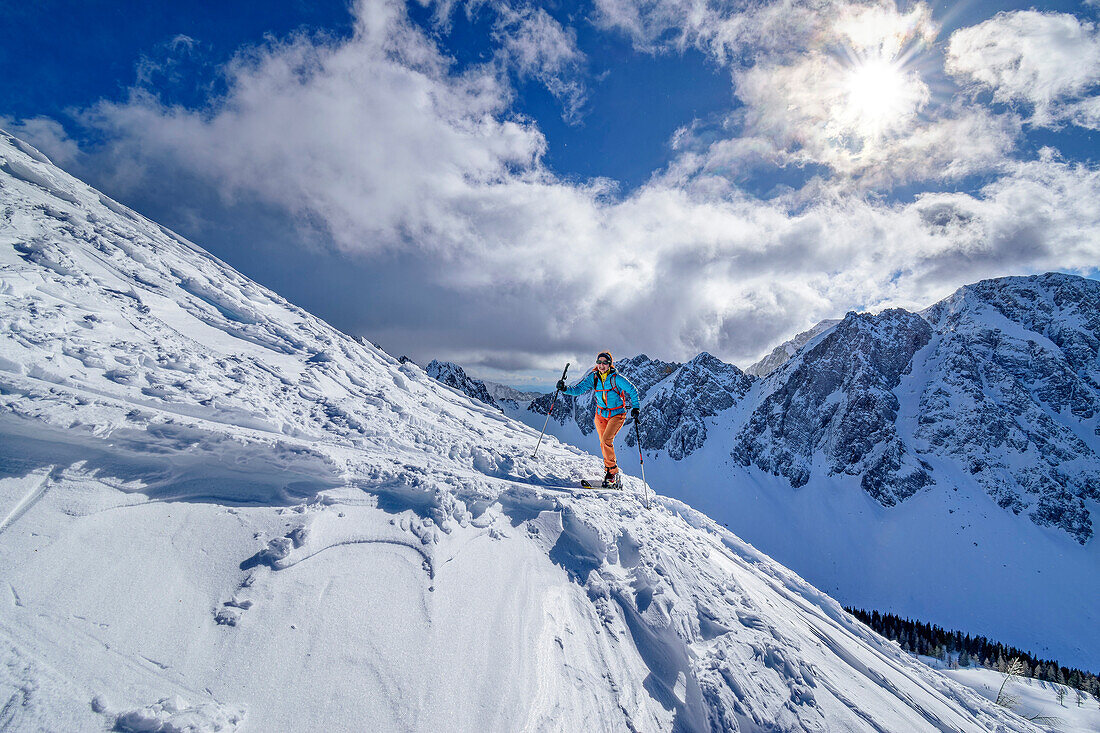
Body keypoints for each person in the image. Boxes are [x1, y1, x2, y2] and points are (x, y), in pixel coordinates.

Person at [557, 351, 640, 488]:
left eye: (605, 362)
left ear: (609, 364)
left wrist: (636, 408)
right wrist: (565, 388)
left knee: (607, 440)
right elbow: (578, 389)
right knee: (603, 443)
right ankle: (610, 472)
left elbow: (632, 390)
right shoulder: (594, 378)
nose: (601, 365)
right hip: (600, 415)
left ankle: (612, 474)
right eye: (599, 362)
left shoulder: (616, 379)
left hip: (617, 414)